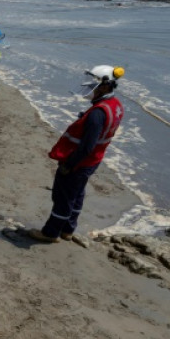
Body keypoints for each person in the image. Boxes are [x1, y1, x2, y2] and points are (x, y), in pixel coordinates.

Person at [30, 66, 126, 243]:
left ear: (105, 87)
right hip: (93, 161)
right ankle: (68, 230)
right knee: (76, 194)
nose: (90, 88)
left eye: (94, 85)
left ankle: (51, 233)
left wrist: (70, 164)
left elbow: (86, 146)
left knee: (63, 197)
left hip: (79, 162)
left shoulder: (97, 114)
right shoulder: (115, 106)